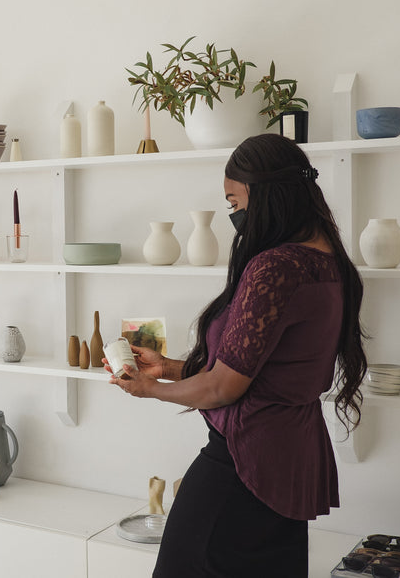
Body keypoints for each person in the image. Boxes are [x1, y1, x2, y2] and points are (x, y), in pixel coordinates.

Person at [109, 133, 367, 577]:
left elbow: (222, 387)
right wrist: (170, 368)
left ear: (265, 194)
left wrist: (150, 389)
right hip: (289, 464)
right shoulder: (330, 261)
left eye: (233, 202)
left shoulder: (277, 267)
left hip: (241, 466)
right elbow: (264, 367)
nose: (234, 215)